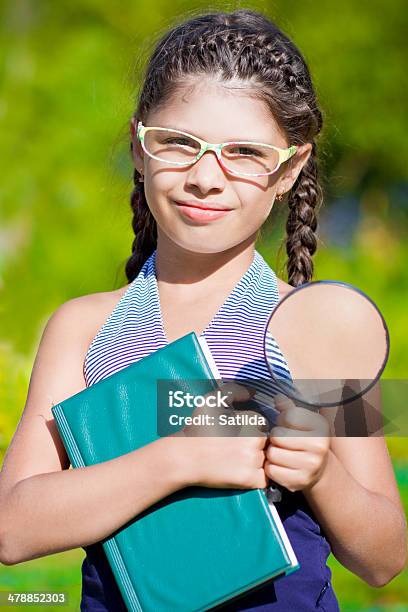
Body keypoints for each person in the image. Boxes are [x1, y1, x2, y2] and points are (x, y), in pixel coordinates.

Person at [0, 8, 406, 612]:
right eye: (179, 143)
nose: (206, 177)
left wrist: (323, 473)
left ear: (290, 168)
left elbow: (385, 559)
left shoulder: (317, 329)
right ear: (139, 146)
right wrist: (177, 456)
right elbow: (13, 528)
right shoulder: (84, 329)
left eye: (243, 152)